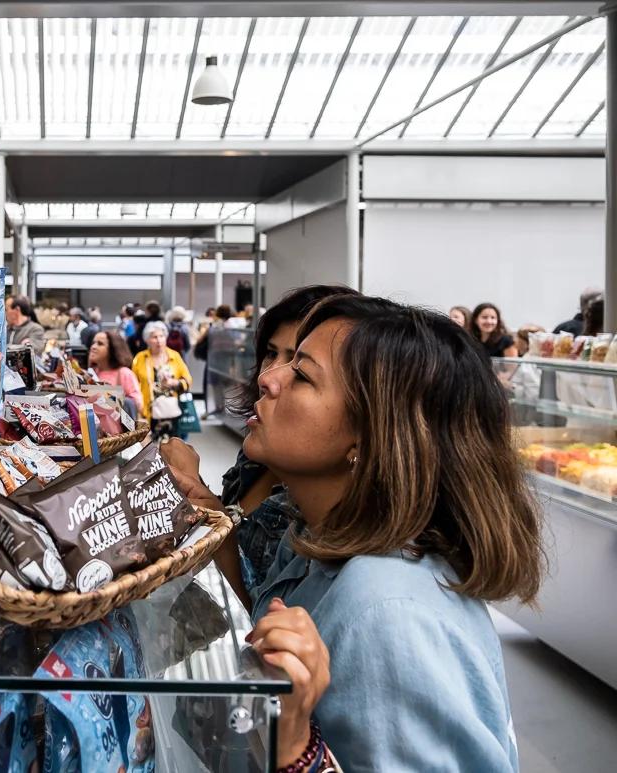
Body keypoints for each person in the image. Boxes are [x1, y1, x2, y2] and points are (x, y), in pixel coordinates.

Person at [163, 294, 541, 770]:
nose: (267, 377)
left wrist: (300, 752)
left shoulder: (389, 613)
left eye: (301, 374)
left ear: (369, 435)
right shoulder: (317, 542)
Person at [216, 285, 357, 590]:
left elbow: (260, 614)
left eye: (301, 370)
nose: (268, 375)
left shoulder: (371, 587)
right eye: (270, 353)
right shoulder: (258, 455)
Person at [132, 320, 191, 438]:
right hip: (149, 410)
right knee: (151, 449)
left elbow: (188, 380)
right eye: (154, 337)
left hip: (172, 410)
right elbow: (133, 384)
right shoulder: (140, 358)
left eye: (161, 336)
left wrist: (175, 383)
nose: (159, 340)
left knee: (172, 448)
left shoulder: (174, 356)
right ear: (147, 340)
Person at [88, 329, 142, 411]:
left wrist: (107, 396)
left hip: (115, 423)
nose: (93, 347)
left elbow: (137, 404)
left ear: (112, 349)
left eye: (100, 344)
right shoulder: (92, 373)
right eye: (93, 343)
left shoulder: (124, 373)